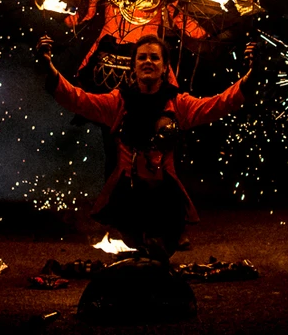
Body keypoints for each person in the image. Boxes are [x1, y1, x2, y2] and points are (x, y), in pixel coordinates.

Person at [36, 32, 256, 260]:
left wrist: (252, 74)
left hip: (165, 201)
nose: (148, 62)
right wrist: (49, 66)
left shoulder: (177, 103)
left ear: (164, 68)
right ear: (133, 67)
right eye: (141, 58)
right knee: (134, 264)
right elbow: (77, 99)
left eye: (154, 57)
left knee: (156, 262)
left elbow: (219, 104)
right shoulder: (118, 102)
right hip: (128, 200)